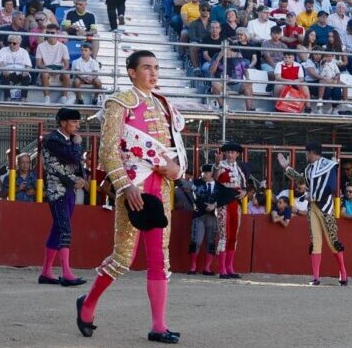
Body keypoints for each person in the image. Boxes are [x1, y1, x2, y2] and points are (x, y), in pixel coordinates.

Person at [76, 50, 187, 344]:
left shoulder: (164, 105)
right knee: (123, 257)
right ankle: (87, 304)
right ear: (131, 72)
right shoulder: (119, 103)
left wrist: (176, 170)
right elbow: (109, 151)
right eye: (147, 68)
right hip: (133, 187)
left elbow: (175, 152)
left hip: (160, 187)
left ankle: (158, 326)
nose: (153, 73)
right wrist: (125, 186)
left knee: (159, 259)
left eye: (156, 67)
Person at [277, 142, 349, 286]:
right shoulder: (309, 168)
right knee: (315, 241)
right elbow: (303, 182)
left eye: (306, 153)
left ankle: (343, 273)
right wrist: (287, 167)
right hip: (313, 207)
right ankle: (316, 277)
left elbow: (331, 187)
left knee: (332, 241)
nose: (306, 155)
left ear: (311, 153)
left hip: (326, 207)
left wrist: (314, 196)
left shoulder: (329, 165)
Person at [39, 108, 89, 287]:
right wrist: (77, 144)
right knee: (65, 229)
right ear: (63, 123)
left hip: (67, 190)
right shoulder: (53, 140)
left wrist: (81, 178)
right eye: (74, 122)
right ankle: (66, 273)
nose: (77, 125)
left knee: (58, 229)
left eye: (77, 122)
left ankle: (46, 272)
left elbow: (74, 163)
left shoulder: (62, 139)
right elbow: (71, 158)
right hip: (57, 191)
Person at [213, 142, 247, 279]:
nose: (231, 155)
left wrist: (244, 192)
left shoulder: (239, 168)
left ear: (237, 154)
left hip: (236, 204)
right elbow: (215, 178)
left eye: (233, 152)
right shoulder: (220, 165)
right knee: (224, 235)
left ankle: (229, 267)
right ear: (225, 154)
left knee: (233, 236)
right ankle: (222, 269)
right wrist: (216, 164)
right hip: (223, 204)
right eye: (228, 152)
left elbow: (244, 186)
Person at [187, 164, 219, 275]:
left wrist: (215, 205)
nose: (204, 174)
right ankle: (192, 267)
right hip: (199, 215)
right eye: (203, 172)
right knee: (196, 241)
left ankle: (207, 268)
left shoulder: (218, 185)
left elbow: (223, 197)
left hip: (212, 216)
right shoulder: (197, 183)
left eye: (207, 172)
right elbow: (196, 197)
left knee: (211, 242)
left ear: (212, 173)